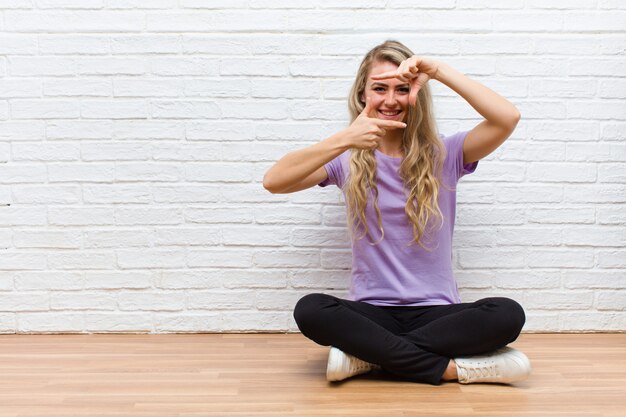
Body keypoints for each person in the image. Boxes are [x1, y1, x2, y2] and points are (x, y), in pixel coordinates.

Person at [263, 40, 531, 385]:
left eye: (402, 89)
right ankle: (452, 369)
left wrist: (437, 71)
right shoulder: (346, 160)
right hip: (371, 314)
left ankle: (368, 358)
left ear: (416, 94)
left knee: (507, 314)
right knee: (311, 309)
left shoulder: (446, 153)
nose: (390, 100)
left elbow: (507, 117)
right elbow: (274, 181)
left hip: (438, 314)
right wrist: (346, 138)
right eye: (379, 88)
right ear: (363, 94)